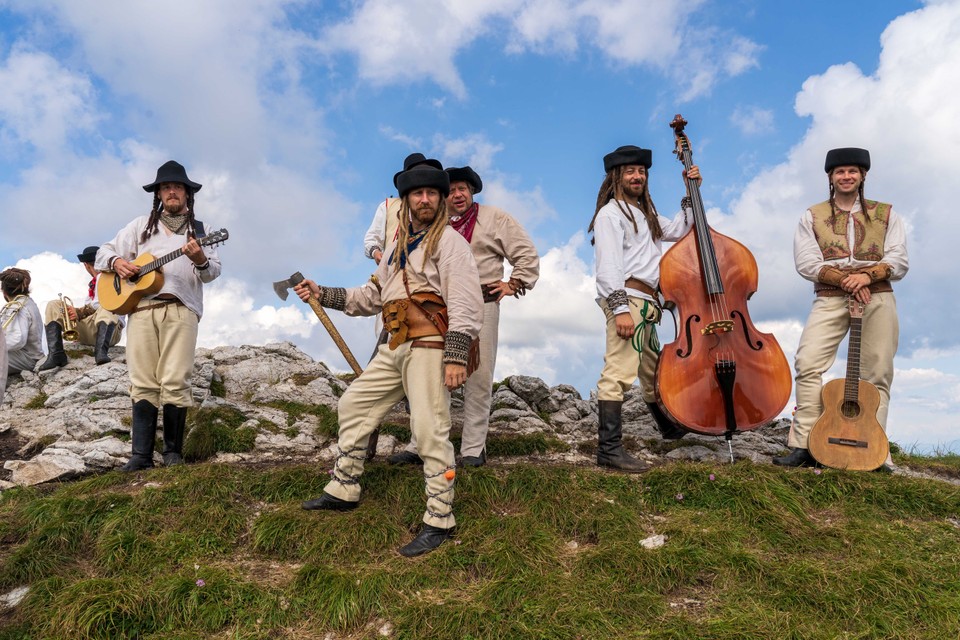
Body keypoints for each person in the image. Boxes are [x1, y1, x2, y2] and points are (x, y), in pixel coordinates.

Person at [296, 165, 483, 557]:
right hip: (395, 346)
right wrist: (322, 292)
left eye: (433, 193)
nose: (426, 199)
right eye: (418, 194)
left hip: (431, 346)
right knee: (353, 404)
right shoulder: (398, 244)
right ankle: (344, 487)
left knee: (430, 429)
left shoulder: (449, 243)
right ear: (407, 201)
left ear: (442, 199)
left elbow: (465, 303)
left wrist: (455, 356)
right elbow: (372, 296)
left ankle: (440, 517)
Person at [389, 165, 540, 467]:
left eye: (463, 189)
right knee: (429, 378)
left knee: (478, 377)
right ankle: (421, 443)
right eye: (452, 189)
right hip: (436, 310)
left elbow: (526, 254)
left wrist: (514, 283)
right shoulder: (432, 227)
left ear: (471, 191)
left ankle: (473, 448)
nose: (458, 194)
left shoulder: (495, 218)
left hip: (482, 304)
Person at [774, 147, 908, 467]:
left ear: (863, 175)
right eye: (839, 172)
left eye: (852, 171)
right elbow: (806, 262)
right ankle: (804, 444)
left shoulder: (886, 213)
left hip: (877, 296)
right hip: (830, 296)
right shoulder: (812, 215)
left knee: (877, 373)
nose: (846, 176)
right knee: (808, 362)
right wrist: (845, 279)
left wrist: (866, 276)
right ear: (830, 177)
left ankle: (876, 451)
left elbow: (898, 260)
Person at [96, 160, 222, 471]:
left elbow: (213, 273)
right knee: (142, 381)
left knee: (176, 379)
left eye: (177, 187)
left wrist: (201, 258)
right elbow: (103, 252)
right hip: (140, 309)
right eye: (166, 187)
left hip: (181, 310)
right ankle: (140, 457)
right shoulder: (140, 226)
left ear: (187, 194)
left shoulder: (200, 231)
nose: (172, 192)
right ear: (159, 195)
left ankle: (172, 454)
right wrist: (117, 264)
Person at [589, 145, 700, 472]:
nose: (637, 176)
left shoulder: (646, 213)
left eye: (641, 171)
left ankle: (668, 429)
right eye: (630, 172)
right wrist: (620, 308)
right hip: (629, 301)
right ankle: (608, 450)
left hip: (648, 304)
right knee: (618, 372)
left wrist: (690, 189)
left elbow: (680, 229)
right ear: (616, 176)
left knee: (652, 372)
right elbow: (608, 266)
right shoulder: (610, 214)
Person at [38, 245, 124, 371]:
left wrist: (78, 312)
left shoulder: (109, 277)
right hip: (92, 329)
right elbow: (93, 306)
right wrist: (73, 314)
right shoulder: (94, 283)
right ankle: (56, 354)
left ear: (86, 265)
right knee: (54, 304)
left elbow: (100, 304)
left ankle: (101, 353)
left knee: (108, 307)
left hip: (110, 332)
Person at [363, 153, 444, 264]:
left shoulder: (436, 206)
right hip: (393, 270)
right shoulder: (387, 206)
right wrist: (376, 252)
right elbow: (372, 238)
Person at [1, 268, 44, 376]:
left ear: (4, 291)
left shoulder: (17, 307)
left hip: (26, 358)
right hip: (28, 356)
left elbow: (17, 340)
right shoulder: (28, 302)